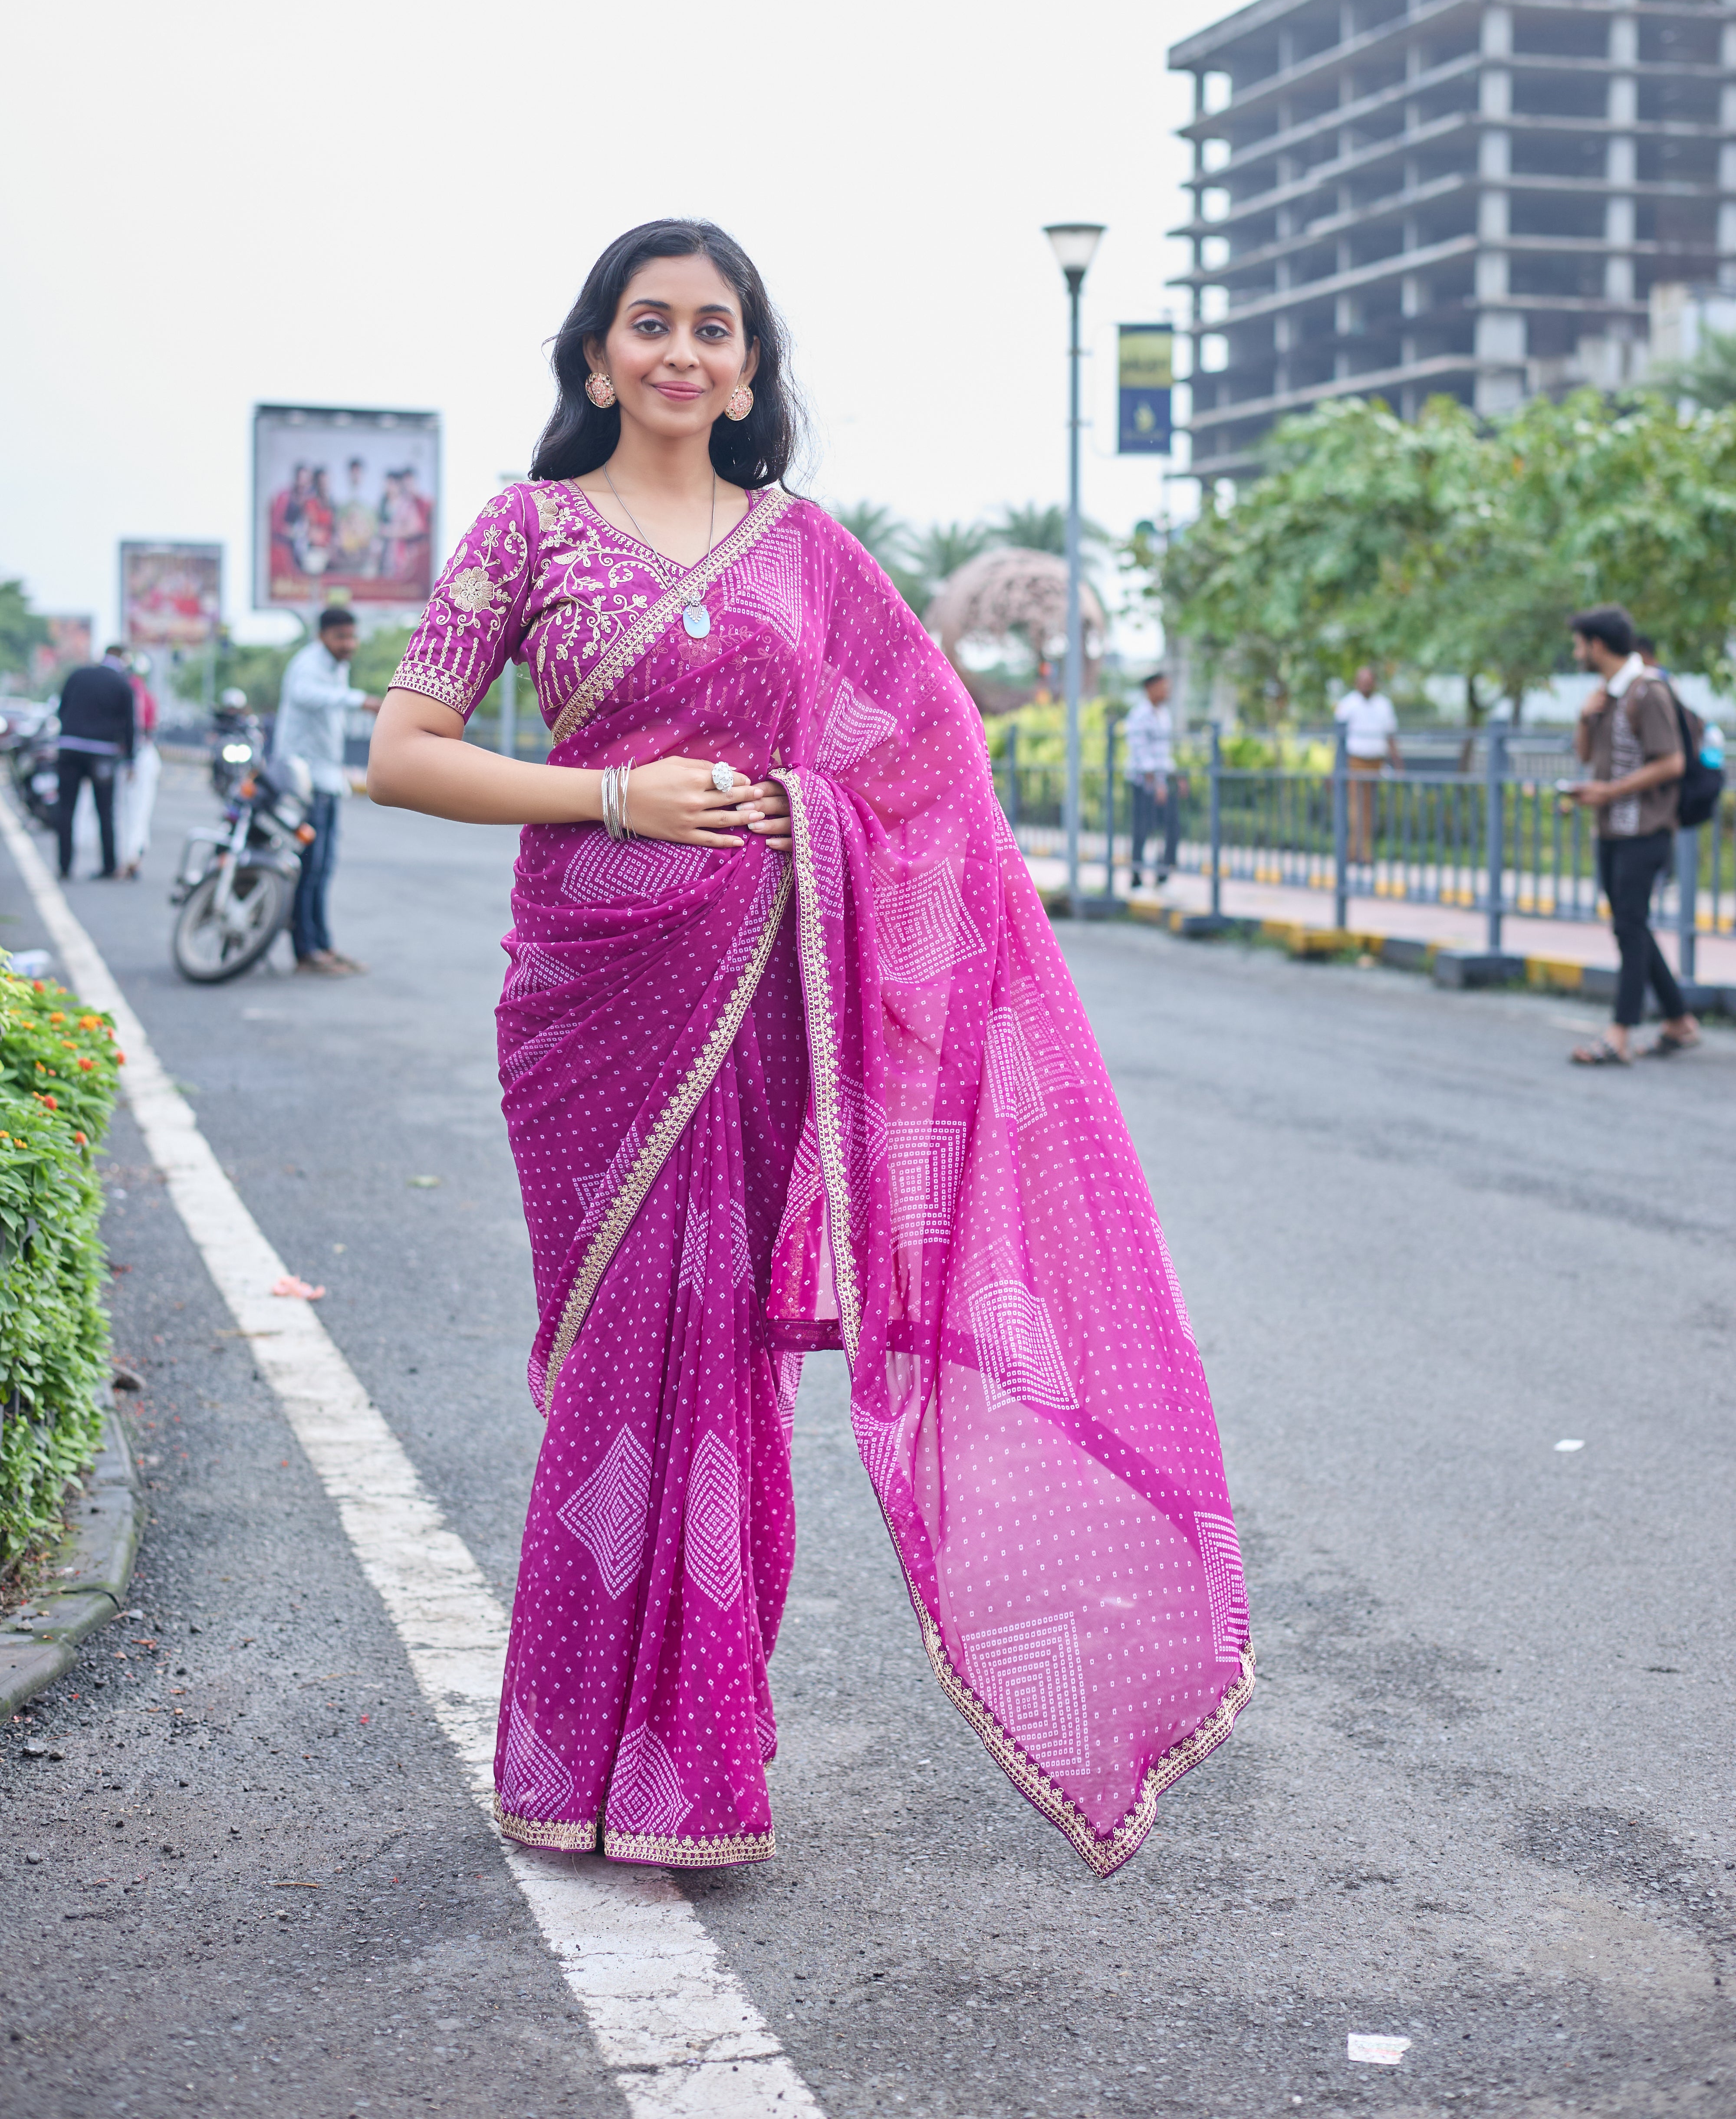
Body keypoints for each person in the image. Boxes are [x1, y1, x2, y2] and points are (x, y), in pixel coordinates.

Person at [369, 218, 1252, 1877]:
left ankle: (692, 1766)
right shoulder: (526, 530)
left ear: (750, 368)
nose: (681, 352)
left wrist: (812, 812)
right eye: (650, 322)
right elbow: (404, 753)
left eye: (715, 328)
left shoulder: (806, 554)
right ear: (595, 355)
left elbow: (928, 760)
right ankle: (572, 1751)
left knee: (720, 1358)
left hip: (763, 993)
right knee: (615, 1352)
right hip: (591, 1004)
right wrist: (614, 795)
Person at [1565, 605, 1699, 1065]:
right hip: (1611, 828)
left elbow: (1672, 762)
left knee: (1629, 925)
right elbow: (1586, 756)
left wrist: (1611, 791)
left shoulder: (1649, 692)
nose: (1576, 654)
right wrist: (1584, 717)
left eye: (1579, 645)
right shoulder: (1607, 695)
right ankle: (1679, 1022)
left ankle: (1619, 1034)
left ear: (1597, 645)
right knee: (1631, 925)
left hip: (1646, 829)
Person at [275, 606, 383, 975]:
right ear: (323, 636)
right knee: (309, 869)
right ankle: (306, 951)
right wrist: (360, 700)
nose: (349, 644)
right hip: (303, 781)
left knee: (322, 869)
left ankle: (323, 945)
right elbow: (306, 694)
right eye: (341, 637)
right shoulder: (308, 664)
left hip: (326, 779)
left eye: (352, 637)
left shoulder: (338, 666)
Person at [53, 651, 135, 880]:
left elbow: (61, 709)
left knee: (66, 809)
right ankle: (109, 866)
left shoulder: (77, 675)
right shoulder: (122, 684)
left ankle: (64, 866)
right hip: (103, 755)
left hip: (70, 749)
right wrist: (131, 760)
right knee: (105, 811)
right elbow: (130, 725)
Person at [1334, 665, 1404, 864]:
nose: (1366, 685)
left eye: (1369, 681)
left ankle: (1361, 851)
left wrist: (1398, 764)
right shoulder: (1348, 704)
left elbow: (1391, 737)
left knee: (1369, 809)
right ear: (1357, 683)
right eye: (1363, 681)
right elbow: (1339, 740)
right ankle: (1356, 852)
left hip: (1376, 762)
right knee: (1356, 808)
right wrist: (1336, 768)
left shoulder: (1384, 705)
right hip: (1355, 761)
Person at [1124, 667, 1178, 887]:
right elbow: (1140, 753)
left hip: (1162, 780)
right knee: (1143, 830)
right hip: (1144, 783)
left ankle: (1163, 876)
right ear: (1150, 688)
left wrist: (1176, 777)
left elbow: (1164, 752)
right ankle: (1136, 878)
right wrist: (1156, 784)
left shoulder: (1164, 715)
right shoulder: (1140, 715)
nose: (1166, 692)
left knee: (1172, 829)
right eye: (1162, 687)